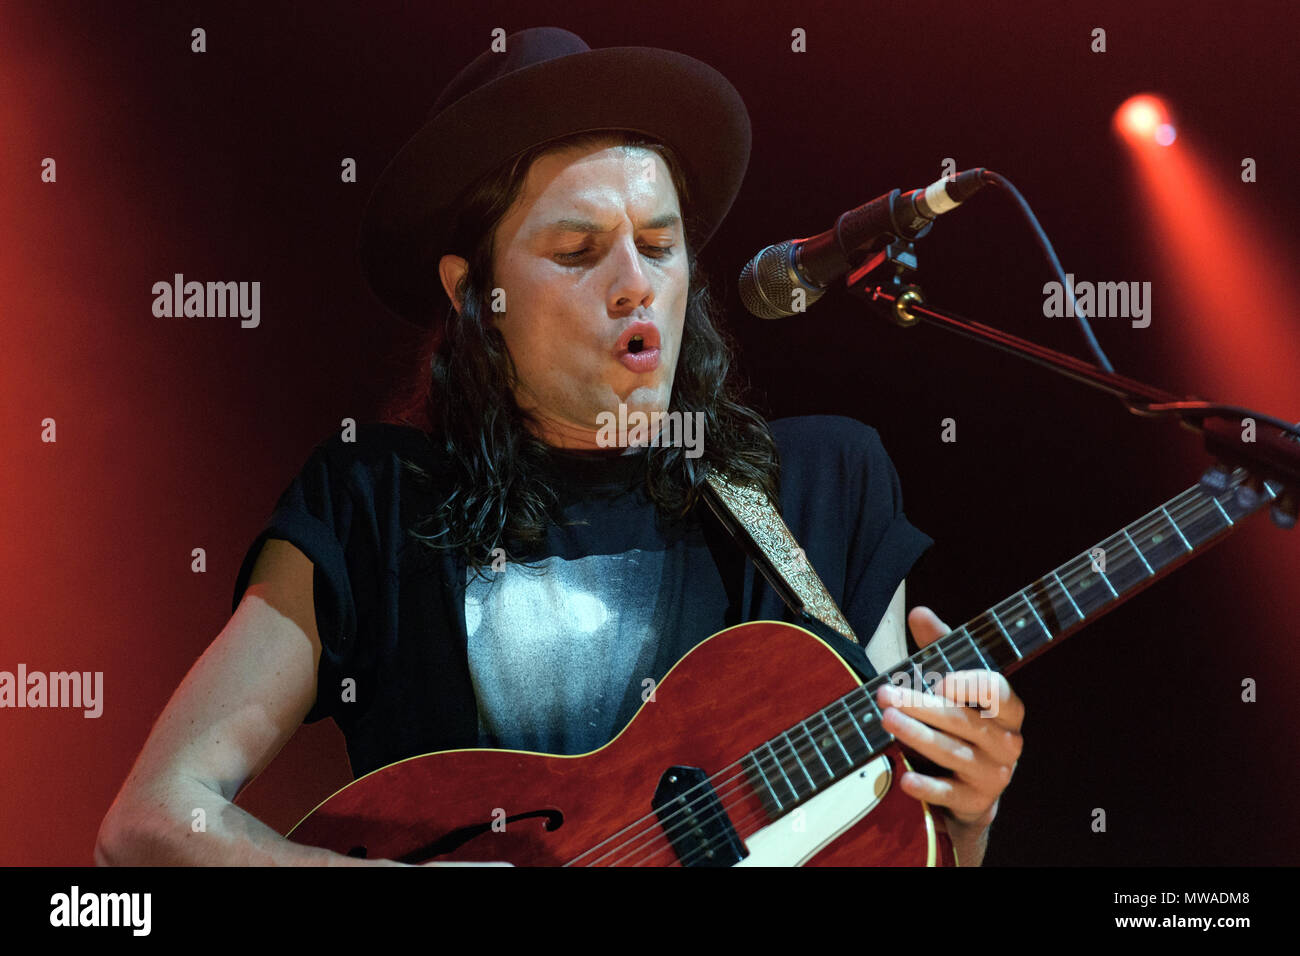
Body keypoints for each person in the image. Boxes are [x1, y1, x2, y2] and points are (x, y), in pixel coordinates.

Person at [95, 27, 1023, 868]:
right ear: (473, 295)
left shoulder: (823, 487)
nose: (635, 285)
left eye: (659, 244)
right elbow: (148, 824)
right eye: (579, 253)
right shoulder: (371, 503)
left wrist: (965, 817)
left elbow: (892, 850)